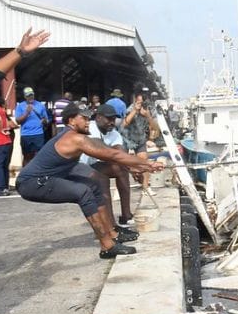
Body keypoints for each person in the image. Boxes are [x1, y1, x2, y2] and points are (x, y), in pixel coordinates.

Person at [16, 103, 164, 259]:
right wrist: (146, 163)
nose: (88, 121)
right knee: (83, 192)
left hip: (52, 176)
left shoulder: (79, 136)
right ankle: (107, 246)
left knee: (94, 184)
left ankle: (112, 233)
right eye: (84, 118)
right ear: (71, 121)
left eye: (88, 118)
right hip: (31, 183)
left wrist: (134, 166)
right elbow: (112, 155)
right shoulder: (74, 138)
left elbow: (113, 152)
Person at [79, 104, 135, 225]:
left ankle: (126, 215)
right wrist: (135, 166)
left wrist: (133, 166)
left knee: (122, 168)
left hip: (92, 166)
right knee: (101, 178)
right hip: (77, 167)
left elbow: (120, 153)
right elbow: (104, 152)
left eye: (113, 119)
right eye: (108, 119)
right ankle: (110, 224)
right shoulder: (91, 128)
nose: (112, 122)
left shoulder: (113, 133)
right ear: (98, 117)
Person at [121, 92, 158, 196]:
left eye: (143, 102)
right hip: (126, 138)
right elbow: (125, 123)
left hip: (140, 139)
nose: (140, 104)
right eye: (138, 102)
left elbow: (154, 127)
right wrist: (135, 111)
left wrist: (148, 115)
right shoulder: (130, 109)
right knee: (122, 164)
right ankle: (122, 188)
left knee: (144, 162)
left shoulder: (149, 110)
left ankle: (146, 187)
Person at [0, 96, 19, 196]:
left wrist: (1, 129)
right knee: (4, 166)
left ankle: (1, 188)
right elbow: (7, 122)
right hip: (6, 142)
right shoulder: (0, 110)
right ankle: (5, 188)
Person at [15, 86, 49, 165]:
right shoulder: (20, 106)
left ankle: (38, 175)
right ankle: (26, 175)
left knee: (39, 156)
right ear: (24, 97)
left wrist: (44, 121)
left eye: (31, 95)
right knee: (27, 156)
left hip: (38, 134)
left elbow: (46, 120)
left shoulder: (40, 105)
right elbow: (18, 121)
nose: (30, 97)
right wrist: (26, 112)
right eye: (28, 96)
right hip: (26, 135)